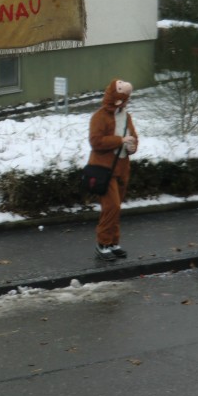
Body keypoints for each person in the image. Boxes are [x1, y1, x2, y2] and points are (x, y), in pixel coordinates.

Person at [88, 79, 138, 261]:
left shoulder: (126, 117)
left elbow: (133, 137)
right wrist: (120, 141)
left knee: (116, 208)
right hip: (104, 169)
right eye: (124, 98)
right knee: (111, 206)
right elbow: (95, 141)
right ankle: (102, 244)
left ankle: (113, 243)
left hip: (123, 167)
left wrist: (133, 145)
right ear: (116, 99)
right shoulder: (99, 117)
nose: (126, 102)